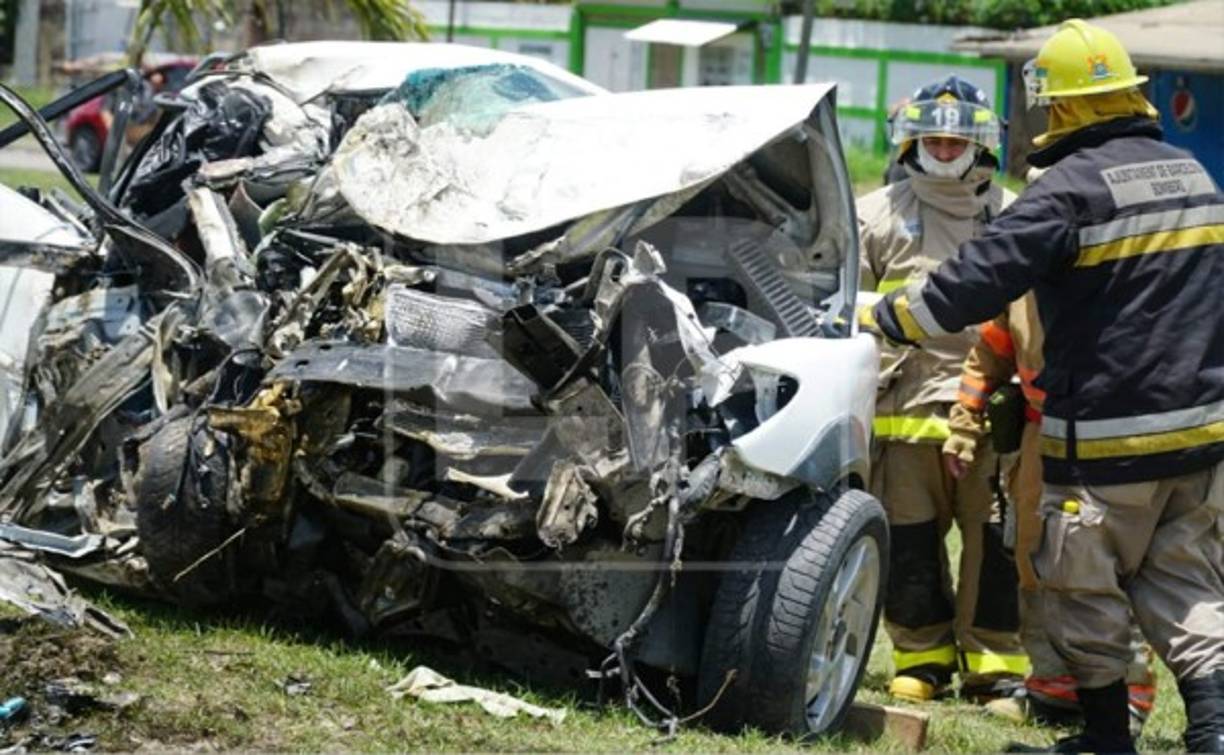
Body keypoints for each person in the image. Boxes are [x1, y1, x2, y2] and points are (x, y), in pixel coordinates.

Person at [872, 19, 1224, 753]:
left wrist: (893, 317)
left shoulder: (1068, 189)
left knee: (1079, 582)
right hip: (1199, 437)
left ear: (1061, 107)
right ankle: (1215, 733)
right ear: (1128, 95)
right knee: (1187, 584)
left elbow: (979, 277)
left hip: (1105, 440)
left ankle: (1103, 739)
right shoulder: (1191, 173)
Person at [857, 75, 1028, 705]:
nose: (947, 147)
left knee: (995, 540)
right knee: (909, 535)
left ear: (981, 143)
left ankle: (995, 663)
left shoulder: (1013, 215)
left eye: (959, 139)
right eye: (935, 136)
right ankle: (922, 655)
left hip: (990, 412)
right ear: (912, 140)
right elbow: (843, 307)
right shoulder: (875, 215)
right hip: (901, 409)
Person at [943, 292, 1157, 734]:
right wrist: (965, 423)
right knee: (1034, 559)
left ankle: (1126, 698)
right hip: (1041, 437)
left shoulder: (1124, 259)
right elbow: (991, 353)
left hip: (1114, 439)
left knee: (1110, 565)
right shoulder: (1025, 281)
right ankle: (1052, 691)